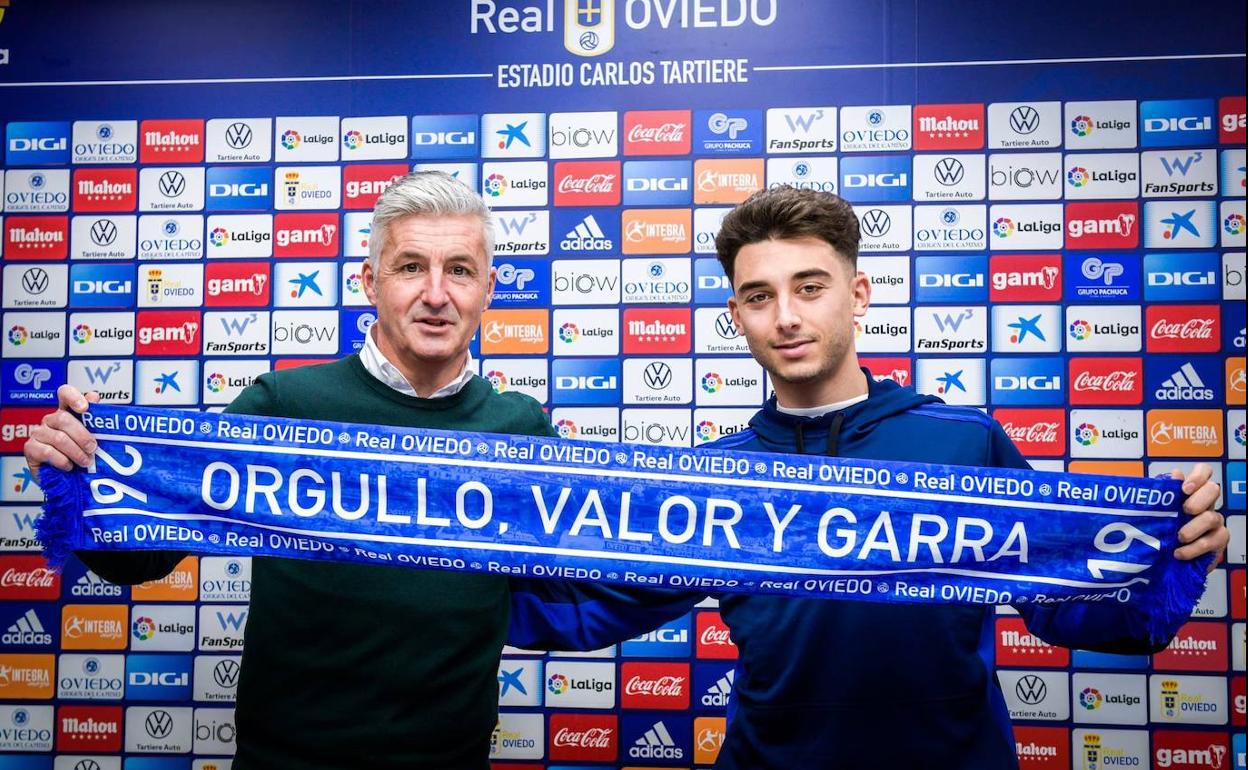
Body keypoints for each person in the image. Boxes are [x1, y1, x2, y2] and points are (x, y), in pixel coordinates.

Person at [517, 186, 1230, 769]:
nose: (787, 317)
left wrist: (1169, 565)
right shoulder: (716, 476)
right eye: (759, 297)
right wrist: (438, 577)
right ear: (736, 316)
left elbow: (1061, 604)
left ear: (856, 294)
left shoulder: (964, 445)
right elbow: (592, 605)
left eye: (810, 287)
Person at [25, 171, 686, 770]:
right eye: (409, 268)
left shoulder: (519, 428)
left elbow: (586, 583)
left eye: (459, 269)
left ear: (488, 287)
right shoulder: (284, 405)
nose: (436, 294)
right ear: (370, 282)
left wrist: (726, 561)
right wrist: (80, 478)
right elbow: (143, 556)